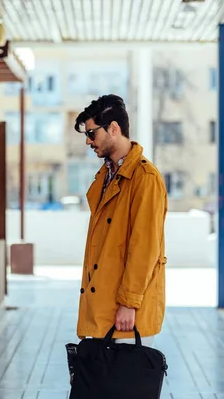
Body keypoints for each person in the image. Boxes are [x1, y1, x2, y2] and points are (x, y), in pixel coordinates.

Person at [73, 94, 168, 347]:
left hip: (126, 313)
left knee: (124, 384)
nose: (88, 141)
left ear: (113, 129)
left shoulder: (145, 178)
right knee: (99, 383)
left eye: (92, 133)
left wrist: (129, 303)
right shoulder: (107, 175)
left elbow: (145, 247)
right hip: (104, 306)